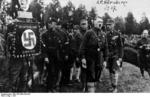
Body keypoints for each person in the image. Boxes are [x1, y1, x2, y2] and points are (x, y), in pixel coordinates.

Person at [79, 18, 108, 92]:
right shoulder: (89, 33)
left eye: (101, 22)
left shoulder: (103, 34)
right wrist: (83, 58)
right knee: (90, 77)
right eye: (98, 22)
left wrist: (105, 60)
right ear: (95, 23)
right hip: (90, 59)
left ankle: (91, 90)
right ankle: (90, 91)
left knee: (96, 77)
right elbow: (83, 46)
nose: (100, 23)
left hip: (99, 59)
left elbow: (105, 48)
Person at [105, 19, 124, 92]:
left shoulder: (117, 34)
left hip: (116, 55)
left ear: (113, 25)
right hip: (109, 56)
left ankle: (115, 87)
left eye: (110, 24)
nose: (108, 26)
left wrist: (120, 57)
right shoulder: (106, 35)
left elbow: (121, 46)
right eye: (107, 25)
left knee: (115, 71)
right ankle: (112, 85)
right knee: (110, 71)